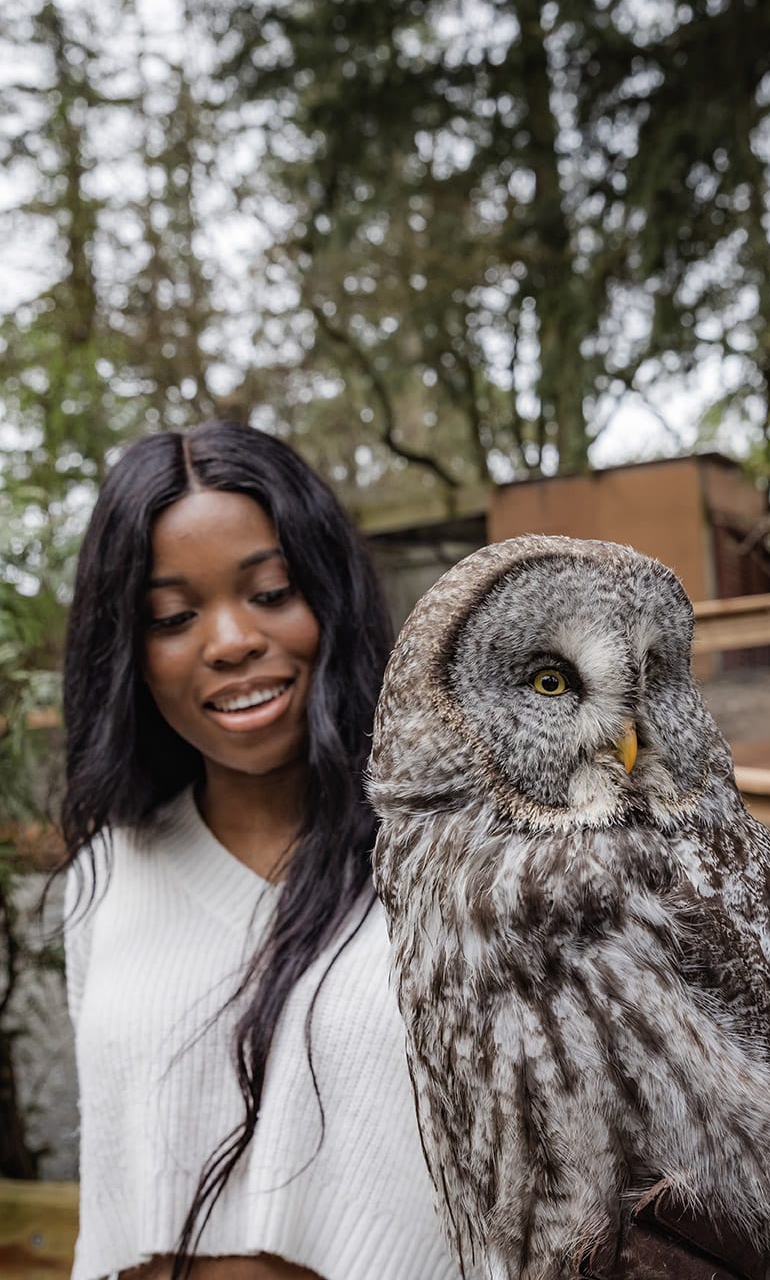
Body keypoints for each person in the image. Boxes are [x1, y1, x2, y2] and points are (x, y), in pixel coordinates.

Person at [58, 422, 459, 1280]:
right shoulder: (106, 872)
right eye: (172, 615)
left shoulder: (450, 864)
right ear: (129, 651)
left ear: (332, 601)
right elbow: (108, 1193)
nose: (231, 638)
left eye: (272, 593)